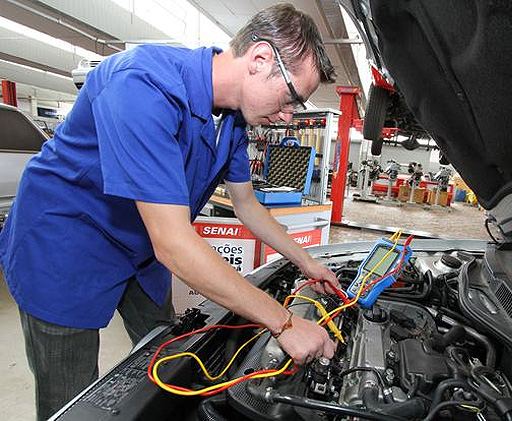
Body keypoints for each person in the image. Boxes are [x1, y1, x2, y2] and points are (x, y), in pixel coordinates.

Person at [0, 4, 339, 419]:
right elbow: (175, 245)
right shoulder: (142, 85)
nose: (288, 115)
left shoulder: (230, 120)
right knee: (72, 403)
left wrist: (307, 263)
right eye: (291, 98)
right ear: (259, 59)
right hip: (65, 243)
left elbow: (248, 206)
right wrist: (284, 323)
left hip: (140, 247)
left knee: (174, 359)